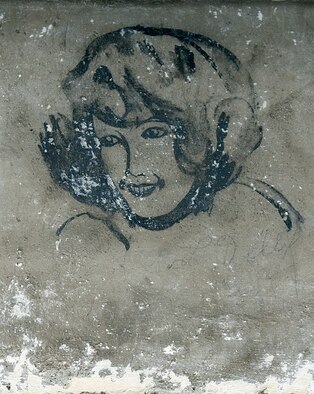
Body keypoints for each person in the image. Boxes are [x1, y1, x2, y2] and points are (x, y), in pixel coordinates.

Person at [39, 26, 303, 249]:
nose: (134, 170)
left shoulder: (257, 216)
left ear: (209, 133)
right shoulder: (83, 238)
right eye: (109, 141)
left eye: (153, 133)